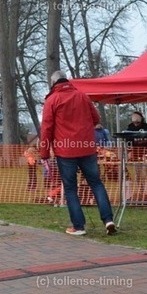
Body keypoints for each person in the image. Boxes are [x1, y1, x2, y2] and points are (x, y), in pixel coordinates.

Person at [40, 70, 116, 236]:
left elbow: (46, 128)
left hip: (65, 151)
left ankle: (79, 226)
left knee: (70, 189)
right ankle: (108, 220)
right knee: (96, 183)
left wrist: (44, 152)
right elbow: (96, 118)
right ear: (66, 79)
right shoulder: (82, 95)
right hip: (87, 148)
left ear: (53, 82)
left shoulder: (52, 100)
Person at [126, 111, 147, 198]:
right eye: (134, 122)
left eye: (138, 123)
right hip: (136, 153)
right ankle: (141, 191)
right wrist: (129, 151)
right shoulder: (130, 128)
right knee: (138, 173)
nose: (136, 124)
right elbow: (128, 141)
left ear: (141, 120)